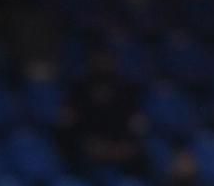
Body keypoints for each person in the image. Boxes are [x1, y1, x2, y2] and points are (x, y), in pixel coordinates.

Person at [57, 46, 148, 174]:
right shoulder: (77, 93)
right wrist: (88, 146)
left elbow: (139, 126)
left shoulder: (127, 93)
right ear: (90, 64)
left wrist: (122, 148)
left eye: (107, 62)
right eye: (99, 62)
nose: (103, 66)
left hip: (121, 149)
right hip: (87, 150)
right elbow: (67, 128)